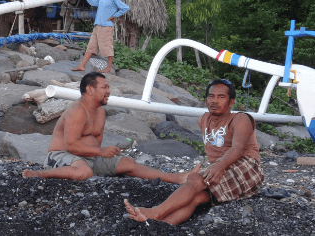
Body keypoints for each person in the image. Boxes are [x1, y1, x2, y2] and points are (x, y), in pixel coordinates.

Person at [124, 79, 263, 225]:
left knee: (195, 179)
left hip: (248, 168)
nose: (215, 101)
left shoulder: (240, 118)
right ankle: (161, 225)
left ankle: (154, 213)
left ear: (231, 102)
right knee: (197, 197)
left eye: (221, 97)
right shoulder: (203, 120)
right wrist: (216, 167)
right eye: (211, 96)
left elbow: (237, 149)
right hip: (223, 169)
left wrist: (219, 166)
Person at [23, 72, 198, 183]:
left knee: (127, 163)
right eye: (105, 87)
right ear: (90, 89)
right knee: (84, 173)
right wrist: (101, 153)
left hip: (89, 158)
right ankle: (40, 174)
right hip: (62, 155)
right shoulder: (77, 110)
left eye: (109, 87)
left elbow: (96, 144)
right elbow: (71, 145)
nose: (109, 91)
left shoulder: (100, 112)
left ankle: (177, 177)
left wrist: (105, 155)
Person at [72, 0, 130, 73]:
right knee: (91, 46)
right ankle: (82, 65)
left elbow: (125, 8)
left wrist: (114, 16)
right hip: (97, 26)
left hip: (106, 26)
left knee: (107, 46)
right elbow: (92, 2)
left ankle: (108, 68)